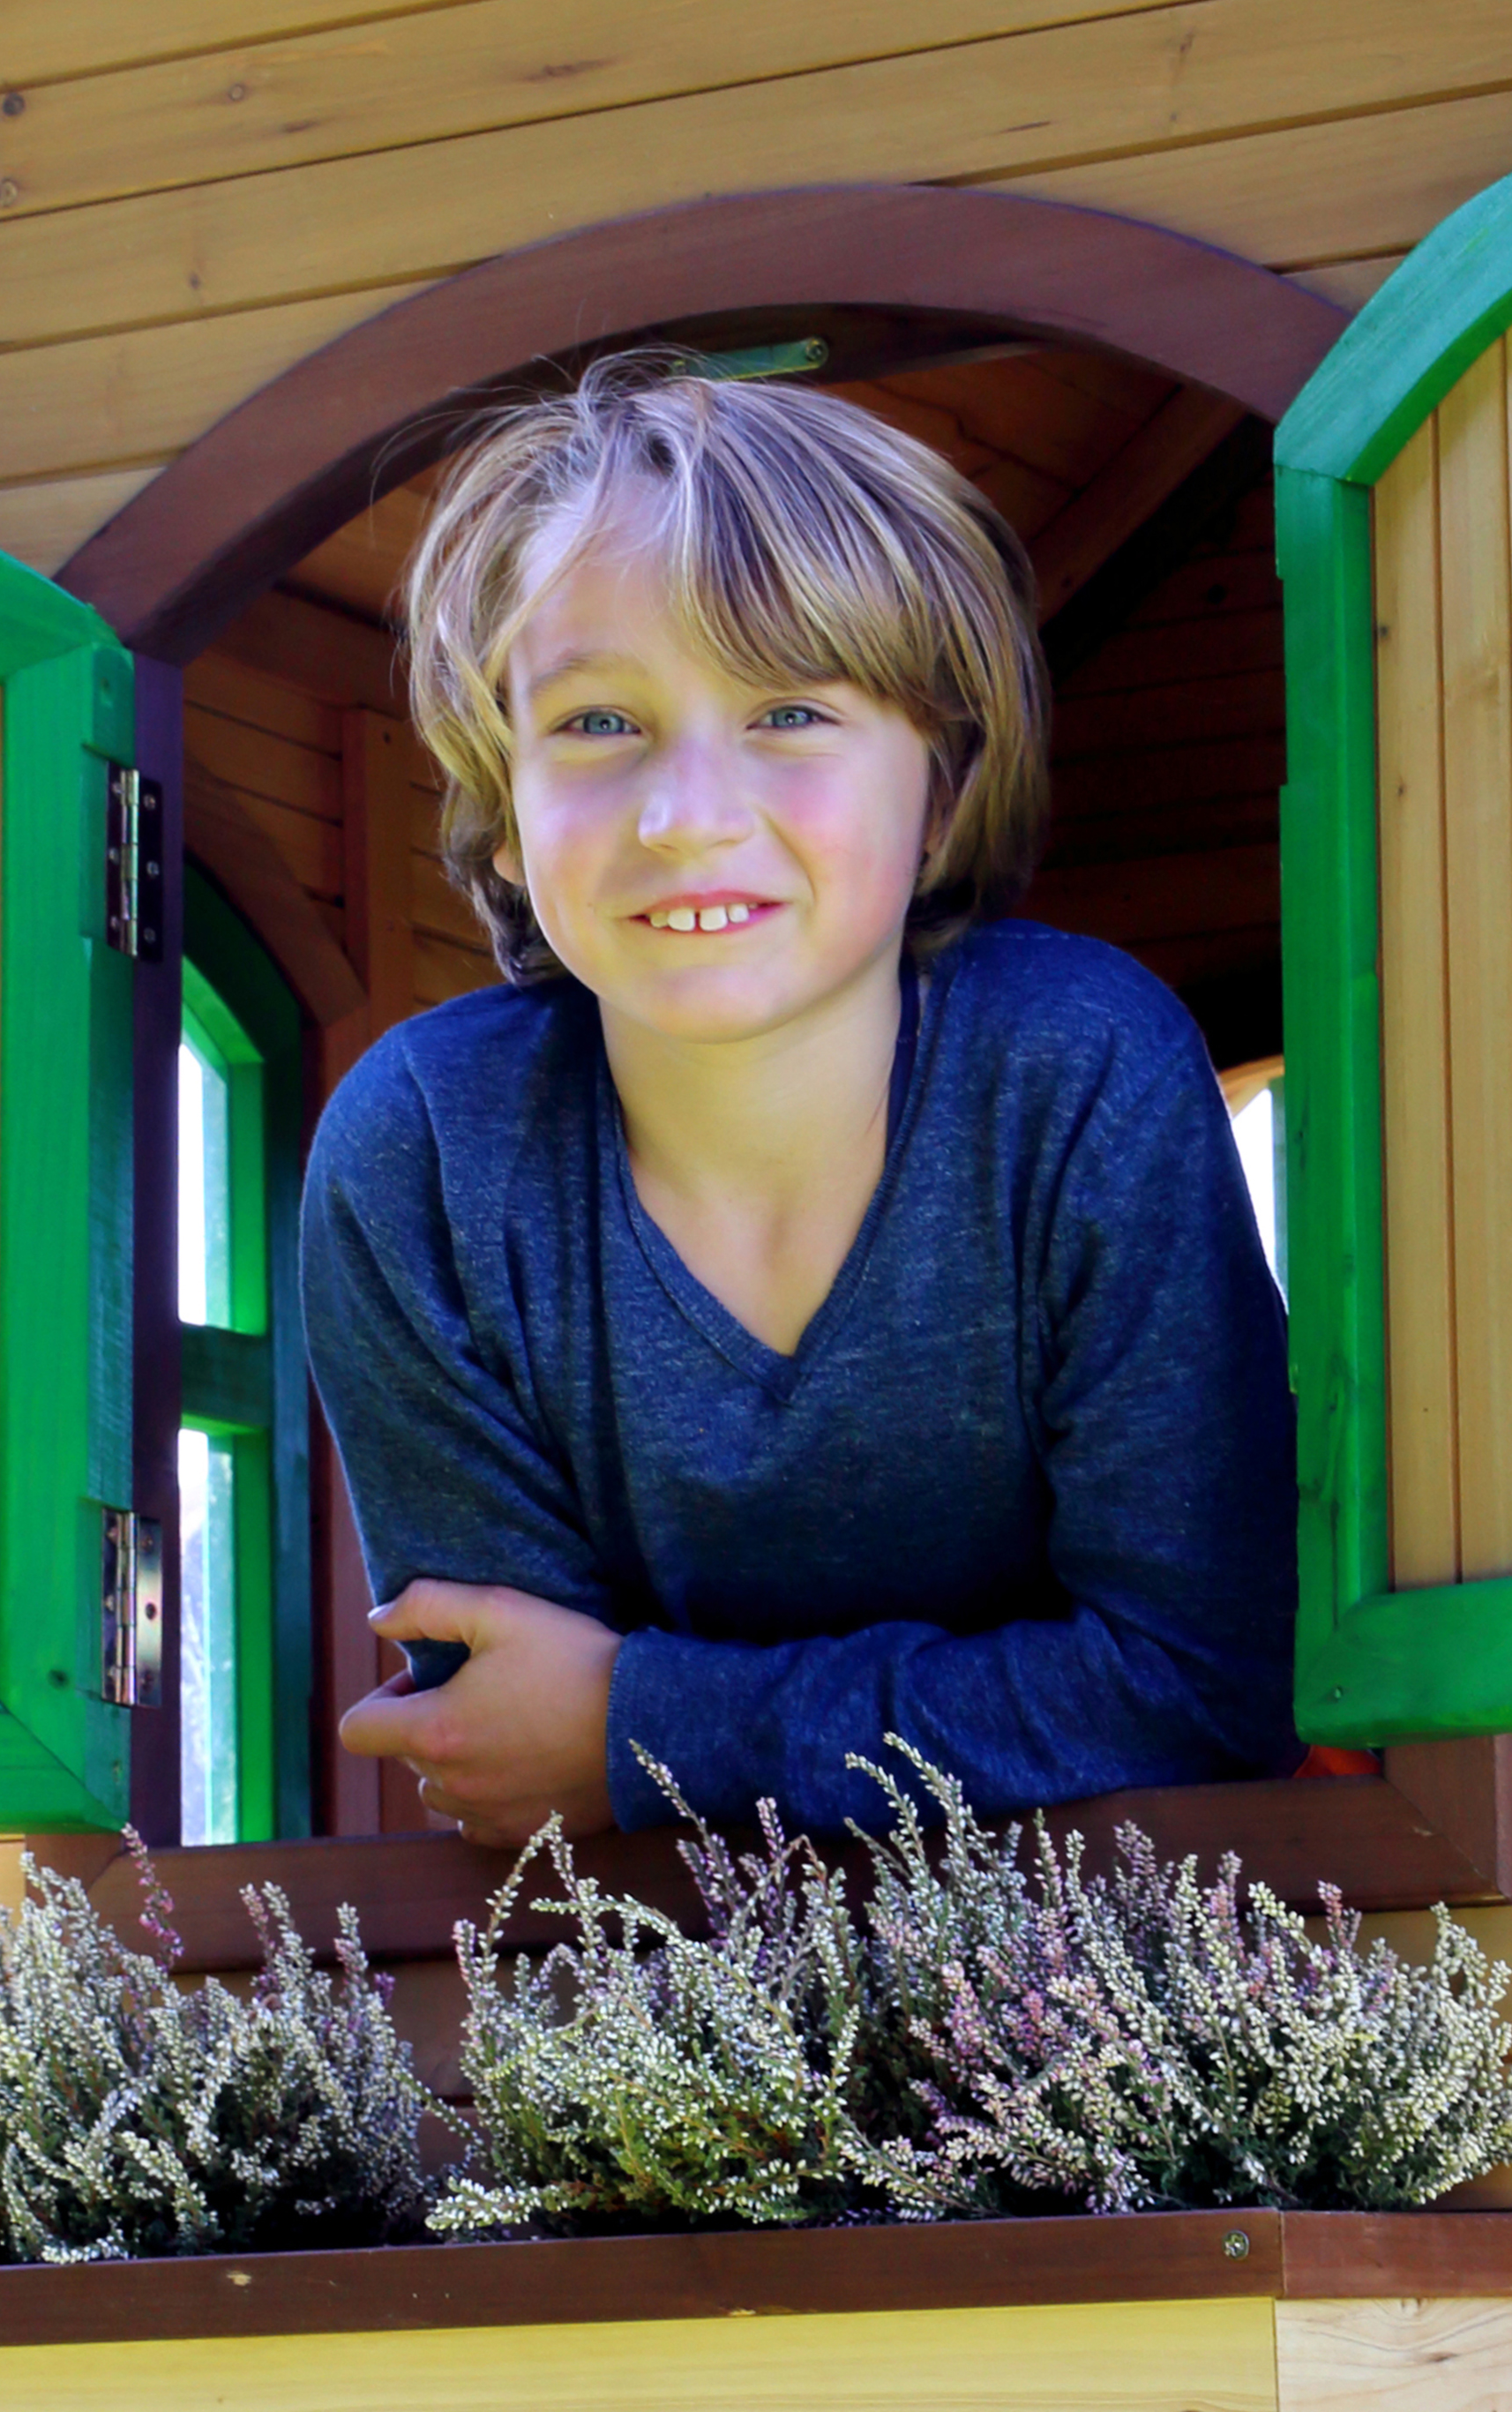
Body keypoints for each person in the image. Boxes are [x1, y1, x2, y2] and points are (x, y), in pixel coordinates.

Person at [299, 355, 1298, 1846]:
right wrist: (615, 1743)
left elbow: (1208, 1685)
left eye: (788, 714)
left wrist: (647, 1725)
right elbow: (514, 1748)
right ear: (503, 816)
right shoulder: (425, 1156)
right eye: (594, 724)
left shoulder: (1080, 1069)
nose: (687, 815)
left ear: (942, 792)